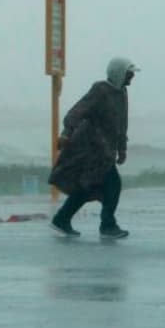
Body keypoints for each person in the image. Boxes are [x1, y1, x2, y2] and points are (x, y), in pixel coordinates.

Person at [48, 57, 139, 238]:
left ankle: (61, 219)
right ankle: (108, 226)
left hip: (106, 151)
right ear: (118, 73)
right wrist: (66, 133)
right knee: (113, 183)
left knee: (87, 186)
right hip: (89, 149)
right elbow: (76, 112)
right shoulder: (101, 90)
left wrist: (122, 148)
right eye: (129, 73)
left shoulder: (122, 93)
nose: (132, 78)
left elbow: (122, 122)